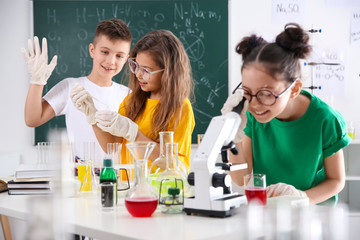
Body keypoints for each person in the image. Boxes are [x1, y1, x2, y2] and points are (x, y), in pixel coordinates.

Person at [222, 23, 351, 205]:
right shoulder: (250, 115)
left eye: (266, 94)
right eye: (247, 92)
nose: (255, 104)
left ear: (294, 89)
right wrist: (232, 138)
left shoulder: (325, 119)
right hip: (270, 211)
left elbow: (336, 181)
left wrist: (302, 198)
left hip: (313, 215)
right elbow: (241, 176)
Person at [71, 30, 195, 172]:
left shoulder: (180, 107)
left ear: (168, 72)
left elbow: (173, 164)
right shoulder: (131, 101)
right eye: (136, 66)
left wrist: (135, 134)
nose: (138, 74)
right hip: (127, 186)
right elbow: (112, 145)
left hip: (159, 189)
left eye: (146, 70)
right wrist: (92, 117)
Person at [23, 19, 132, 164]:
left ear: (127, 59)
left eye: (119, 56)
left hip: (119, 177)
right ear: (92, 50)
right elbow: (32, 119)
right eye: (105, 52)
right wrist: (37, 81)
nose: (111, 61)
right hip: (82, 176)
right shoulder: (71, 86)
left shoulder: (128, 95)